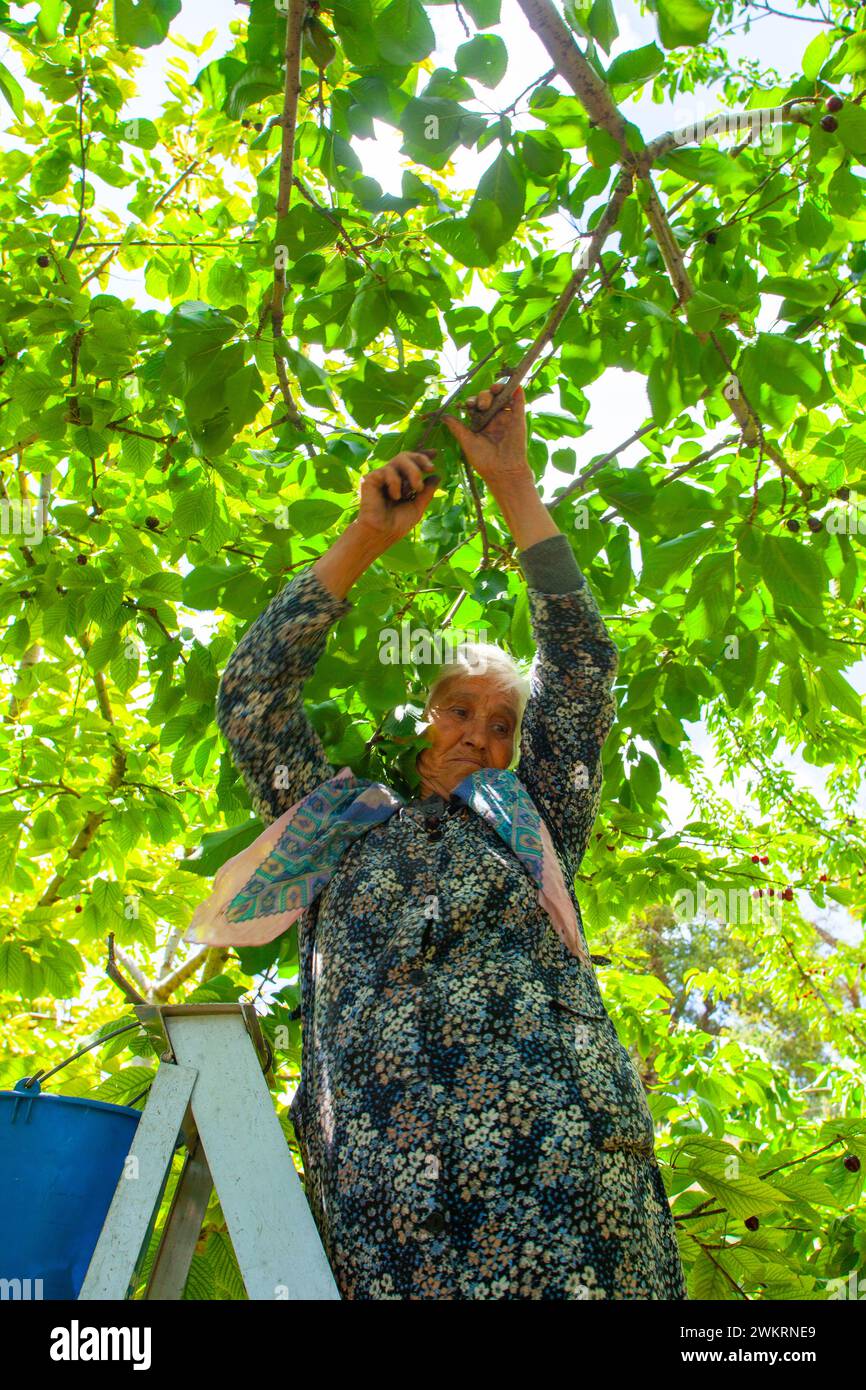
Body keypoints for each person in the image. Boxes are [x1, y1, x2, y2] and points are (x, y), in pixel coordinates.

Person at [205, 382, 687, 1299]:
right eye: (457, 711)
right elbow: (253, 691)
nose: (479, 734)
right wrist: (369, 540)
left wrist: (512, 485)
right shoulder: (335, 830)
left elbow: (581, 667)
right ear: (418, 721)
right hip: (392, 1182)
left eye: (503, 723)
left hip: (571, 1174)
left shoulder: (531, 819)